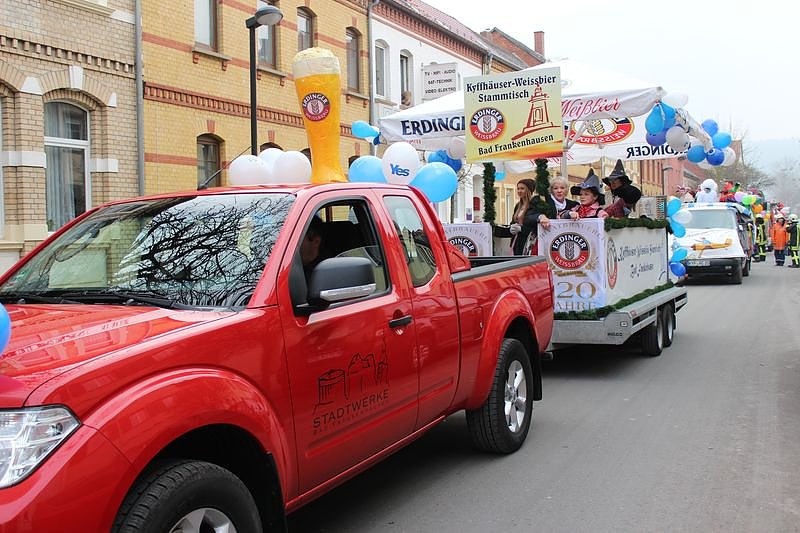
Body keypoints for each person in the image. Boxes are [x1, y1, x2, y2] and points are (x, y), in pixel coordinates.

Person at [506, 178, 537, 255]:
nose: (519, 191)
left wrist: (521, 229)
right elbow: (513, 221)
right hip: (516, 241)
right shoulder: (518, 206)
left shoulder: (534, 205)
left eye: (522, 188)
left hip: (528, 242)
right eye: (518, 189)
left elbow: (535, 227)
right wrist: (511, 227)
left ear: (529, 190)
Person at [301, 215, 325, 280]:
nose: (294, 243)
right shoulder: (287, 266)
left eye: (299, 238)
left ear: (316, 242)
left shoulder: (326, 270)